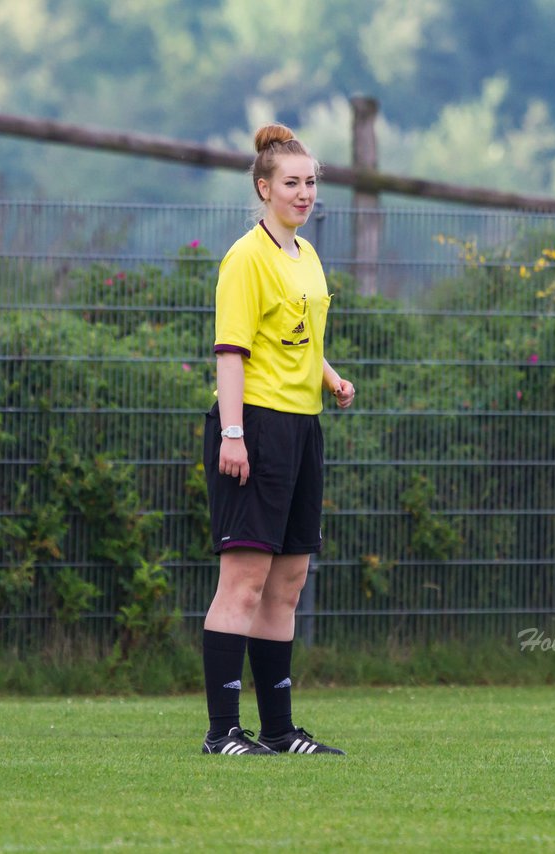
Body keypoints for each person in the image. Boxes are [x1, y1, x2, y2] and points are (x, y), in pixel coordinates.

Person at [200, 123, 355, 756]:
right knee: (243, 582)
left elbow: (297, 338)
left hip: (301, 427)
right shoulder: (246, 257)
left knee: (287, 583)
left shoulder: (306, 256)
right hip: (255, 427)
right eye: (291, 182)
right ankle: (221, 733)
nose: (304, 192)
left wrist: (331, 376)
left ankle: (280, 731)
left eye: (311, 181)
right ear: (264, 188)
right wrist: (232, 435)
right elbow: (232, 352)